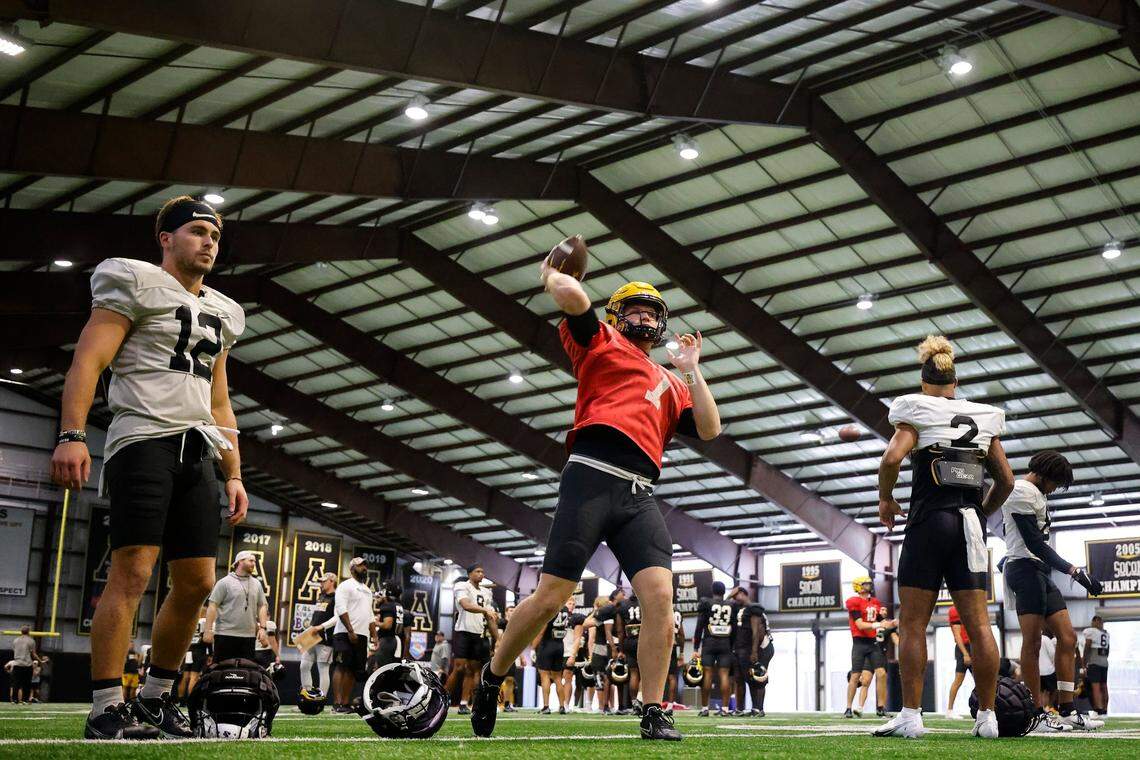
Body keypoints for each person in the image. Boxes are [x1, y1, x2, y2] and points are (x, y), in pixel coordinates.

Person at [471, 269, 721, 741]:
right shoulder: (600, 341)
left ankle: (652, 709)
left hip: (640, 492)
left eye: (653, 311)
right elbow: (571, 296)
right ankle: (492, 676)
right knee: (551, 598)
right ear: (616, 316)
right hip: (590, 475)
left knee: (661, 598)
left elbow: (710, 429)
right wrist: (553, 274)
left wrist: (692, 366)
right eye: (636, 309)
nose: (645, 317)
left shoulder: (673, 380)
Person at [51, 195, 246, 740]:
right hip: (143, 439)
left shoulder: (225, 311)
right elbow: (89, 359)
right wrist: (71, 434)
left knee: (197, 582)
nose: (210, 242)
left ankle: (157, 698)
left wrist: (233, 471)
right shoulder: (132, 280)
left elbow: (221, 399)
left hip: (199, 447)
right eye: (199, 231)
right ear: (166, 238)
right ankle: (106, 706)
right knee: (134, 571)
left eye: (216, 235)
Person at [874, 335, 1014, 740]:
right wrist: (979, 513)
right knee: (980, 624)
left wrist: (885, 499)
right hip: (970, 524)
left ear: (924, 382)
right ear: (954, 383)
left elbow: (891, 458)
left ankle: (912, 715)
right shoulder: (983, 416)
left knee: (913, 622)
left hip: (930, 520)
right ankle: (987, 718)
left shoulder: (914, 410)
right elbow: (1005, 480)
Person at [1002, 451, 1103, 731]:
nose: (1056, 488)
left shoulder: (1037, 494)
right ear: (1045, 474)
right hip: (1024, 568)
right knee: (1032, 642)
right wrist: (1076, 572)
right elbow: (1035, 545)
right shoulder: (1020, 491)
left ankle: (1068, 709)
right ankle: (1036, 713)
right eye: (1056, 482)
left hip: (1039, 571)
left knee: (1068, 638)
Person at [446, 564, 498, 714]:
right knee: (459, 667)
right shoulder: (462, 586)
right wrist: (485, 609)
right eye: (477, 571)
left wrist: (498, 638)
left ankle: (466, 703)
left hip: (478, 634)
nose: (481, 574)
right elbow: (466, 605)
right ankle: (442, 697)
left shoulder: (486, 592)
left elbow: (490, 619)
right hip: (463, 631)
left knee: (474, 671)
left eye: (482, 571)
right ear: (469, 574)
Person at [203, 551, 269, 662]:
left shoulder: (257, 584)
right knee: (222, 670)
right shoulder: (224, 582)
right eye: (251, 560)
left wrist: (262, 628)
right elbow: (212, 605)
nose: (254, 563)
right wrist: (208, 630)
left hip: (248, 637)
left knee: (245, 671)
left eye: (254, 561)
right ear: (240, 561)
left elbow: (262, 606)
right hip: (225, 634)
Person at [331, 557, 374, 712]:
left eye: (365, 565)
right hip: (344, 633)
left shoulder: (368, 590)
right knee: (341, 666)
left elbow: (370, 615)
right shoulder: (345, 586)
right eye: (360, 565)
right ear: (352, 568)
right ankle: (336, 703)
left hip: (362, 635)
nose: (364, 568)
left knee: (353, 670)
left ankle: (345, 702)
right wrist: (350, 630)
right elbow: (341, 609)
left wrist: (374, 634)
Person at [844, 577, 886, 718]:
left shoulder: (875, 602)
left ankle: (880, 707)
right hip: (859, 643)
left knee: (881, 673)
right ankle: (848, 707)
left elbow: (880, 620)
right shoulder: (853, 602)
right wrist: (878, 624)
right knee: (855, 676)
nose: (869, 585)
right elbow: (860, 625)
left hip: (872, 642)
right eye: (865, 583)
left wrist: (883, 617)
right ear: (859, 586)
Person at [695, 581, 735, 717]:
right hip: (725, 642)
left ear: (713, 591)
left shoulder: (706, 603)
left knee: (708, 675)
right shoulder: (731, 605)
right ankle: (725, 709)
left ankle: (705, 708)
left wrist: (696, 647)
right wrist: (732, 645)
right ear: (724, 592)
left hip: (709, 642)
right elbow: (734, 627)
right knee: (724, 675)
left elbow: (699, 625)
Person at [731, 586, 772, 717]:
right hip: (752, 647)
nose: (733, 599)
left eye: (735, 595)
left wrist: (754, 651)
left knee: (758, 677)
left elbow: (757, 632)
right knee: (749, 677)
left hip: (762, 647)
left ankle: (759, 708)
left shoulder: (754, 608)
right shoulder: (743, 609)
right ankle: (754, 708)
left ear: (743, 593)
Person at [533, 596, 575, 714]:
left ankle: (546, 706)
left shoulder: (551, 607)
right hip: (559, 645)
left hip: (547, 644)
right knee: (557, 677)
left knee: (544, 675)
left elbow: (542, 630)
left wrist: (533, 647)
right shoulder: (565, 609)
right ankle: (562, 706)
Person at [299, 572, 337, 695]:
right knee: (304, 666)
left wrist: (322, 627)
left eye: (324, 581)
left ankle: (321, 699)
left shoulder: (337, 597)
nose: (321, 583)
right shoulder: (321, 596)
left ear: (332, 581)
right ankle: (307, 695)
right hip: (312, 634)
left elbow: (337, 618)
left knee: (323, 669)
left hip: (325, 637)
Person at [944, 605, 971, 719]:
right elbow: (957, 635)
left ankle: (985, 708)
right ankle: (950, 710)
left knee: (981, 681)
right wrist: (965, 653)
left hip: (972, 646)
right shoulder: (955, 610)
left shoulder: (969, 608)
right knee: (958, 680)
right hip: (964, 648)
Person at [179, 604, 210, 703]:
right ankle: (191, 700)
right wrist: (211, 653)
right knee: (194, 677)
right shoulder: (205, 622)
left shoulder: (192, 621)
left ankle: (181, 700)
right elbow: (206, 638)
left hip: (189, 650)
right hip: (199, 651)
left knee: (185, 676)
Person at [1082, 615, 1110, 717]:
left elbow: (1087, 646)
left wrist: (1084, 662)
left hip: (1094, 661)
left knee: (1096, 686)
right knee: (1104, 686)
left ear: (1095, 622)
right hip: (1104, 662)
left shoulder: (1091, 631)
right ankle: (1105, 709)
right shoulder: (1106, 634)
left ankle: (1098, 709)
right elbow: (1108, 650)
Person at [373, 583, 406, 669]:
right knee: (390, 669)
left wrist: (375, 622)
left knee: (382, 670)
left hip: (387, 641)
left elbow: (387, 625)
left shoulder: (387, 606)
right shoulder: (398, 605)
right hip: (395, 640)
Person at [9, 626, 37, 704]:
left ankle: (14, 700)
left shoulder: (15, 640)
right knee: (27, 683)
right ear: (29, 632)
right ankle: (25, 700)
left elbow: (14, 650)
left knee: (16, 683)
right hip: (27, 664)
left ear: (21, 632)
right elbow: (33, 654)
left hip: (17, 664)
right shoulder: (31, 641)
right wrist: (40, 661)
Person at [1040, 630, 1057, 713]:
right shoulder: (1045, 639)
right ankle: (1048, 708)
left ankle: (1041, 709)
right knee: (1048, 692)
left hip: (1036, 671)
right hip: (1048, 670)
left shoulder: (1028, 638)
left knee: (1040, 692)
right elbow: (1052, 653)